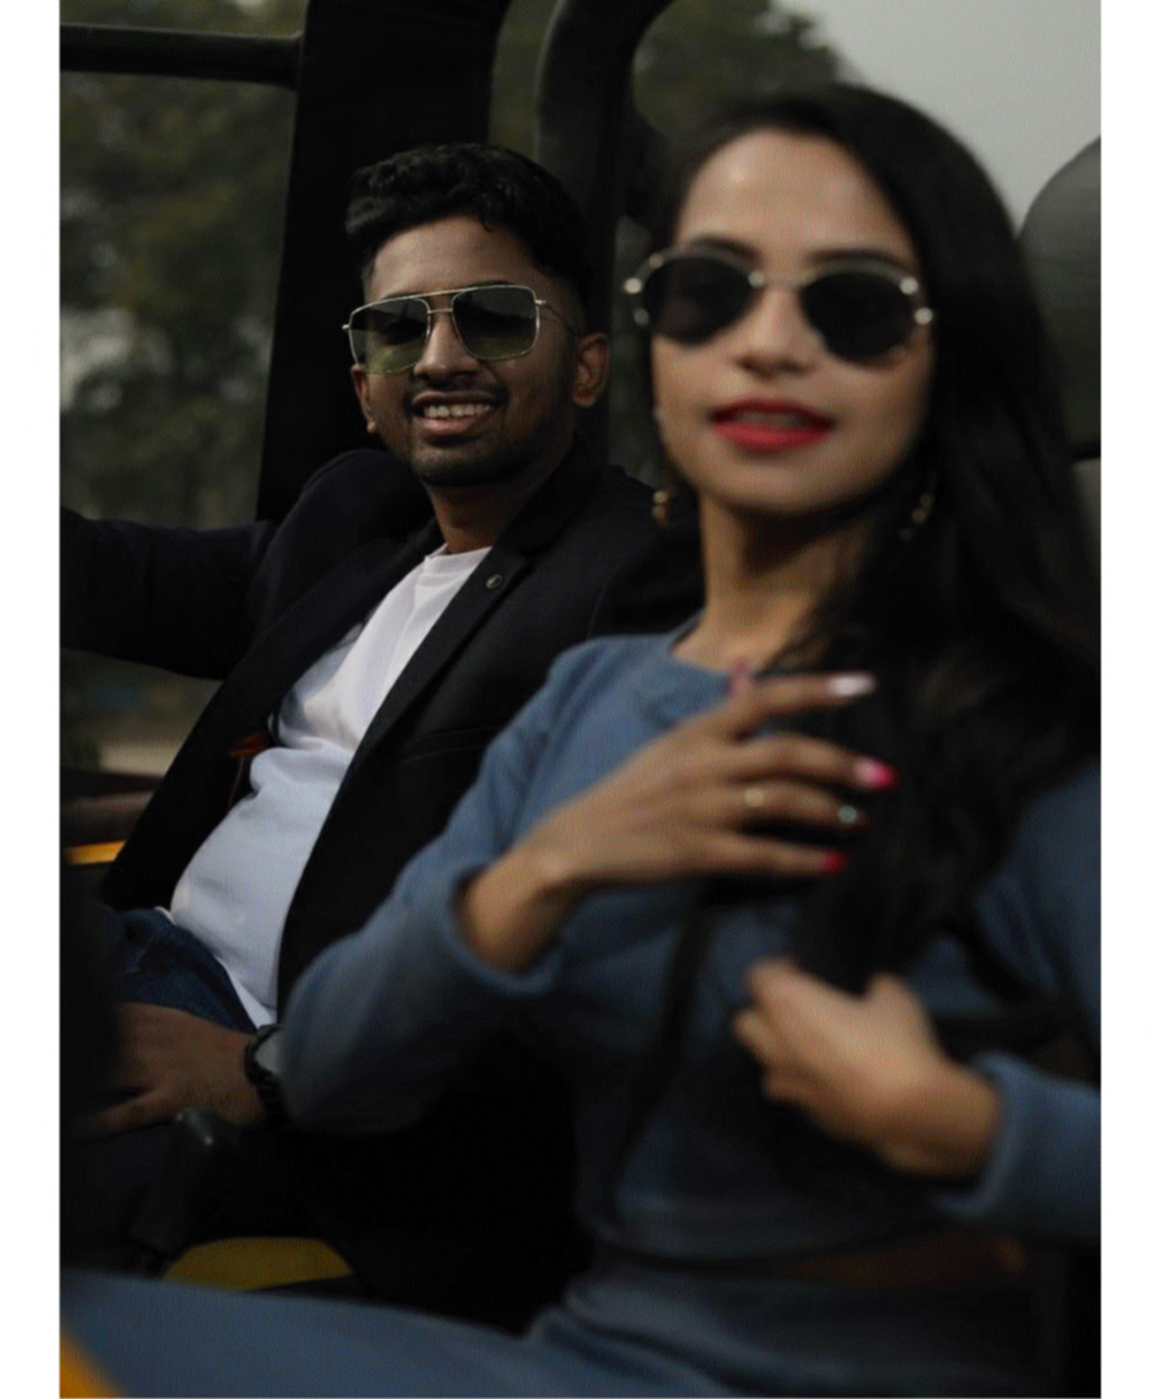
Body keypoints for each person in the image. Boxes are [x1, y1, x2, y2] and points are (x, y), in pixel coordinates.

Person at [63, 82, 1098, 1397]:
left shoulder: (1027, 733)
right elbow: (334, 1062)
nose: (767, 344)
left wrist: (964, 1124)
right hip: (583, 1352)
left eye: (849, 305)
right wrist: (542, 875)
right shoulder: (596, 699)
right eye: (712, 293)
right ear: (668, 351)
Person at [61, 142, 701, 1303]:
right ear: (364, 386)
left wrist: (266, 1069)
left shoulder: (637, 582)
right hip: (130, 953)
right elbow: (99, 571)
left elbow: (596, 960)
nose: (441, 356)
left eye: (492, 318)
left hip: (290, 1084)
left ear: (586, 365)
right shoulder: (353, 527)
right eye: (400, 329)